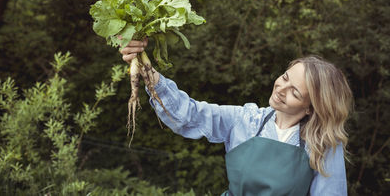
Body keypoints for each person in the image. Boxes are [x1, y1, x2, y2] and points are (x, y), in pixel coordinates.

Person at [120, 39, 353, 196]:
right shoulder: (246, 119)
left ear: (311, 108)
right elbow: (187, 115)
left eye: (294, 91)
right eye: (284, 77)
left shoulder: (323, 145)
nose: (281, 88)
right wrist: (145, 69)